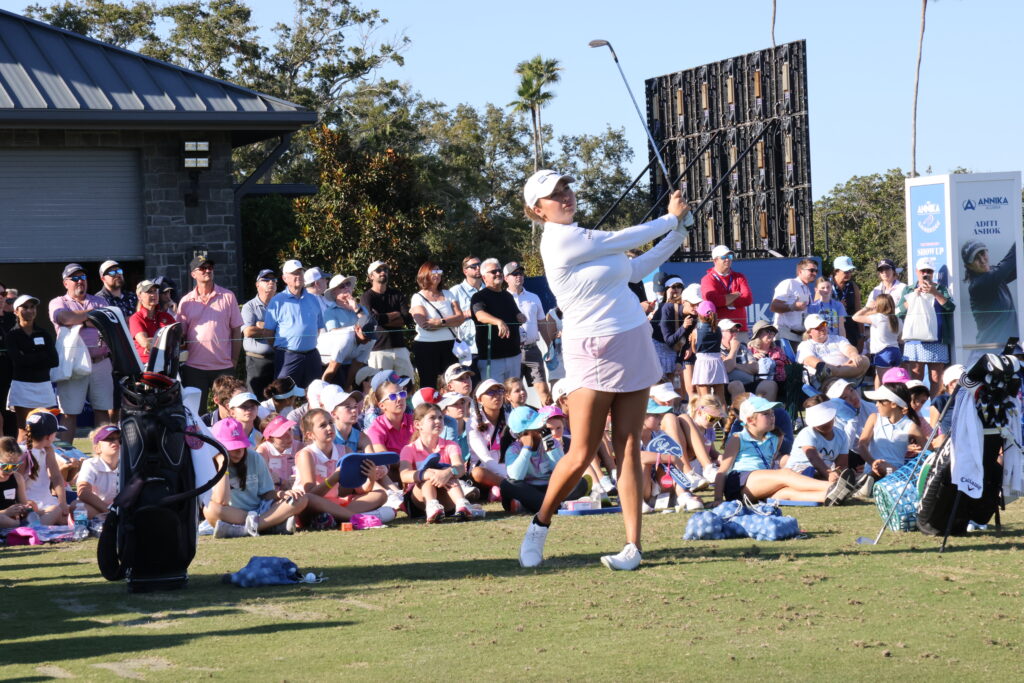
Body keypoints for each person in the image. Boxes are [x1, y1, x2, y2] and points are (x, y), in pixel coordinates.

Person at [519, 169, 691, 571]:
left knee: (629, 446)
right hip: (591, 349)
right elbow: (623, 238)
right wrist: (670, 218)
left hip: (633, 340)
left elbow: (636, 269)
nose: (565, 196)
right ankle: (540, 524)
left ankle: (633, 546)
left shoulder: (586, 238)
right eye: (554, 194)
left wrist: (678, 233)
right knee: (582, 450)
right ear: (538, 210)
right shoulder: (561, 239)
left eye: (566, 188)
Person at [713, 396, 856, 506]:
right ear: (750, 420)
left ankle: (829, 495)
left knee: (788, 493)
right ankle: (834, 487)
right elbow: (722, 471)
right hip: (740, 483)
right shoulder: (737, 438)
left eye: (772, 413)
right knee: (786, 474)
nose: (772, 416)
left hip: (759, 486)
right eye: (766, 414)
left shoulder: (775, 438)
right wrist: (718, 499)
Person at [205, 417, 307, 538]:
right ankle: (270, 526)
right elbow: (222, 501)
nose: (239, 451)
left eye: (241, 445)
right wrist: (223, 466)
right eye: (232, 447)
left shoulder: (254, 457)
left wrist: (281, 494)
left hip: (261, 511)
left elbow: (266, 493)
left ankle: (247, 529)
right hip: (233, 514)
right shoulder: (209, 464)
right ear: (217, 447)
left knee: (301, 498)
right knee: (210, 509)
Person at [293, 408, 393, 527]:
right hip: (311, 506)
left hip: (336, 503)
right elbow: (311, 493)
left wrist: (371, 478)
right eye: (322, 425)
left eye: (331, 423)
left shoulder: (345, 451)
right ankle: (356, 518)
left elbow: (360, 490)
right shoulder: (306, 454)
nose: (329, 428)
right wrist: (334, 478)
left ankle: (337, 517)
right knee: (309, 498)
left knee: (380, 494)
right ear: (310, 435)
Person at [48, 263, 115, 434]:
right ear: (66, 283)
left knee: (103, 410)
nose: (80, 281)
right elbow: (64, 318)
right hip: (73, 363)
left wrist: (78, 321)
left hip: (101, 361)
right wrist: (91, 317)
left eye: (83, 277)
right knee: (69, 412)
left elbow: (107, 323)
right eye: (75, 278)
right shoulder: (58, 302)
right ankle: (66, 452)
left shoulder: (100, 301)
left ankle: (102, 449)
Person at [177, 255, 243, 411]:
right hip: (194, 368)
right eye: (202, 268)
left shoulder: (228, 296)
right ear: (193, 274)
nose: (207, 270)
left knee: (229, 410)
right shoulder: (186, 301)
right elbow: (180, 335)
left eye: (210, 267)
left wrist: (234, 360)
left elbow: (236, 331)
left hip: (223, 366)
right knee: (196, 413)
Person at [501, 405, 587, 514]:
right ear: (523, 433)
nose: (542, 428)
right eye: (537, 426)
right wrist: (527, 448)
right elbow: (516, 476)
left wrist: (549, 447)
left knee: (581, 483)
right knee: (507, 485)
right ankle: (553, 505)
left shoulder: (551, 443)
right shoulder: (513, 450)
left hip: (551, 488)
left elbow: (561, 470)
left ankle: (540, 505)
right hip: (530, 489)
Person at [399, 403, 473, 522]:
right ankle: (432, 507)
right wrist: (427, 474)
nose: (438, 421)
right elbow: (404, 475)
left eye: (440, 418)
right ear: (418, 424)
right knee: (427, 478)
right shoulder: (409, 449)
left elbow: (460, 468)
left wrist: (448, 472)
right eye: (432, 418)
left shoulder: (451, 445)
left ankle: (462, 505)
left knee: (448, 472)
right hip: (418, 501)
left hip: (446, 499)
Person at [896, 257, 955, 396]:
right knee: (916, 377)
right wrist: (913, 296)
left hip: (937, 339)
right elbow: (899, 312)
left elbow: (950, 308)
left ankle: (935, 406)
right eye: (923, 271)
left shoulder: (941, 289)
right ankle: (915, 406)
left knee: (936, 377)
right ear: (917, 271)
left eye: (929, 271)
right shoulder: (909, 289)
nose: (925, 274)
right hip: (915, 339)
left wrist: (935, 293)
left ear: (933, 273)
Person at [264, 259, 326, 390]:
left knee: (314, 393)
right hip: (288, 356)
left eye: (300, 272)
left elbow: (318, 327)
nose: (298, 276)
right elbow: (268, 333)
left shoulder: (313, 299)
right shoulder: (277, 301)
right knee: (283, 393)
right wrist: (282, 349)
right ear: (285, 278)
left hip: (311, 355)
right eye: (294, 273)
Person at [5, 295, 58, 442]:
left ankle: (43, 457)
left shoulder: (44, 333)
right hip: (22, 385)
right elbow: (17, 360)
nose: (30, 310)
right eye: (25, 307)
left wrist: (27, 357)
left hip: (44, 385)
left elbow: (54, 360)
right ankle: (22, 457)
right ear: (16, 311)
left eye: (32, 307)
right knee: (24, 430)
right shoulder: (12, 335)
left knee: (47, 428)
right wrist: (41, 356)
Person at [409, 261, 466, 391]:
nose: (437, 274)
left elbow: (460, 318)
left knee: (452, 382)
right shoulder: (417, 297)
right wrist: (451, 321)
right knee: (428, 385)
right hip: (426, 347)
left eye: (439, 271)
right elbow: (425, 324)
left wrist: (440, 322)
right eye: (434, 271)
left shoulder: (448, 294)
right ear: (425, 274)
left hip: (450, 345)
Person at [856, 383, 924, 486]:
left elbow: (928, 453)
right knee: (879, 467)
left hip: (895, 476)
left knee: (883, 467)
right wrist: (872, 462)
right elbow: (862, 444)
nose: (876, 405)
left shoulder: (911, 426)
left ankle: (863, 485)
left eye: (880, 401)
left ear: (893, 404)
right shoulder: (874, 418)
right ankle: (865, 484)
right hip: (872, 470)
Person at [471, 258, 525, 383]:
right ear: (484, 277)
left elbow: (516, 315)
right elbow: (480, 315)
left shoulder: (507, 296)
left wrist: (520, 316)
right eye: (493, 271)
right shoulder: (478, 297)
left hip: (514, 355)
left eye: (499, 270)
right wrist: (498, 322)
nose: (498, 273)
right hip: (492, 358)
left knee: (514, 393)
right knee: (494, 393)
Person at [504, 260, 550, 406]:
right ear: (506, 278)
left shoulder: (533, 297)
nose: (519, 276)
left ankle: (547, 419)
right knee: (513, 393)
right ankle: (516, 420)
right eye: (514, 274)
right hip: (511, 352)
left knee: (543, 390)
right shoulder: (502, 298)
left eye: (521, 273)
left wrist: (550, 346)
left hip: (532, 350)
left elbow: (542, 323)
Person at [361, 259, 415, 378]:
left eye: (385, 269)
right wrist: (396, 314)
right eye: (379, 270)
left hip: (400, 347)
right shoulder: (366, 297)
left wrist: (380, 318)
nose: (383, 272)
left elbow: (407, 318)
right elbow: (371, 320)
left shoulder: (397, 294)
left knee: (407, 384)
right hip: (378, 350)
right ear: (371, 276)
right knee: (381, 386)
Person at [320, 274, 374, 389]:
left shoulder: (361, 308)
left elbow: (368, 327)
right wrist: (354, 330)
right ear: (334, 293)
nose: (346, 287)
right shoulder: (330, 311)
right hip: (335, 361)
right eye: (341, 286)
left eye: (348, 284)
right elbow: (334, 333)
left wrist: (356, 309)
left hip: (356, 359)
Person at [962, 241, 1017, 347]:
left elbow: (1017, 267)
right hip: (990, 349)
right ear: (969, 266)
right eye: (976, 258)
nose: (982, 260)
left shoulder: (992, 274)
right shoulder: (980, 284)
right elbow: (1010, 260)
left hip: (1009, 345)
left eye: (982, 253)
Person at [20, 411, 69, 524]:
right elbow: (16, 483)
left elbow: (56, 477)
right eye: (55, 433)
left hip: (47, 502)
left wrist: (62, 503)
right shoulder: (22, 453)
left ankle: (39, 523)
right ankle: (35, 529)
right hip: (29, 505)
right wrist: (25, 504)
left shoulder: (48, 449)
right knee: (56, 511)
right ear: (49, 436)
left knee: (74, 509)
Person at [781, 397, 849, 479]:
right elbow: (813, 457)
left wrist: (837, 472)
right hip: (798, 472)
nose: (824, 424)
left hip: (823, 473)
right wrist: (828, 474)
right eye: (820, 421)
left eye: (826, 419)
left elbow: (842, 464)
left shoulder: (842, 435)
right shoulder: (807, 433)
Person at [796, 313, 870, 385]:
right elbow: (811, 361)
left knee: (864, 360)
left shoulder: (837, 339)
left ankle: (835, 373)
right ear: (809, 332)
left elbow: (848, 348)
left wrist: (853, 355)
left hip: (839, 373)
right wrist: (831, 368)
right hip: (827, 380)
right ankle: (836, 373)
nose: (822, 328)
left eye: (824, 324)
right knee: (824, 370)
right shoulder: (805, 345)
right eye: (817, 327)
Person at [700, 245, 753, 341]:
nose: (728, 259)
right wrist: (736, 295)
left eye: (730, 256)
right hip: (720, 330)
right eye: (724, 257)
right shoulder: (707, 279)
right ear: (715, 260)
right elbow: (714, 301)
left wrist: (724, 301)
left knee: (743, 351)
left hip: (740, 329)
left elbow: (747, 299)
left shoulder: (739, 277)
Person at [241, 269, 278, 399]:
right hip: (257, 361)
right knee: (256, 400)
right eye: (266, 280)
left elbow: (289, 329)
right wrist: (274, 329)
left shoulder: (282, 305)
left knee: (278, 399)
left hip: (278, 359)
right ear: (257, 284)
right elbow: (248, 332)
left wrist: (262, 325)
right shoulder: (249, 307)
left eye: (273, 280)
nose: (271, 282)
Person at [852, 294, 902, 389]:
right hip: (896, 351)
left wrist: (867, 308)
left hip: (883, 352)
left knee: (883, 381)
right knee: (894, 381)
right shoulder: (898, 319)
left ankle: (880, 397)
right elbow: (900, 339)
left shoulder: (878, 317)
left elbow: (855, 317)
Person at [449, 256, 486, 377]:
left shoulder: (488, 289)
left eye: (480, 265)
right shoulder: (455, 291)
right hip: (467, 349)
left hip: (489, 346)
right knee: (470, 384)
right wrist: (467, 313)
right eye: (473, 266)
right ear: (465, 271)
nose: (478, 268)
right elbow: (449, 318)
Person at [76, 425, 121, 518]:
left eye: (120, 439)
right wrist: (109, 511)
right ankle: (111, 519)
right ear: (97, 448)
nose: (116, 441)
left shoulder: (128, 464)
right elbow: (83, 492)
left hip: (119, 508)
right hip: (98, 508)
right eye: (110, 439)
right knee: (76, 506)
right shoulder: (90, 464)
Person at [128, 280, 176, 366]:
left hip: (167, 362)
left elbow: (178, 337)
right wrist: (166, 341)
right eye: (149, 291)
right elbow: (144, 342)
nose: (154, 294)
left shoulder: (167, 316)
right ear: (139, 296)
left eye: (155, 291)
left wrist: (153, 343)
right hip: (146, 365)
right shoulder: (135, 318)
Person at [770, 258, 818, 344]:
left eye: (816, 271)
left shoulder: (807, 289)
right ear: (800, 271)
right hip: (786, 335)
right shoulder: (789, 283)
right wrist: (793, 307)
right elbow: (774, 306)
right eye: (811, 270)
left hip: (801, 337)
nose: (814, 273)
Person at [690, 301, 728, 404]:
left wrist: (692, 340)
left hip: (702, 364)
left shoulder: (696, 331)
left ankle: (707, 415)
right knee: (721, 399)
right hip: (717, 363)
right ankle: (724, 415)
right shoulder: (718, 329)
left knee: (705, 399)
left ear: (700, 315)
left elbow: (694, 349)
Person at [651, 277, 685, 378]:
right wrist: (668, 300)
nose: (676, 289)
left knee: (672, 381)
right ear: (666, 289)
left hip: (674, 347)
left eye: (679, 286)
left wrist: (679, 359)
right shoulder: (663, 307)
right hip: (659, 345)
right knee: (660, 381)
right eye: (673, 287)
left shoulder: (686, 306)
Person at [830, 256, 863, 351]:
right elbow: (818, 308)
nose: (848, 274)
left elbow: (858, 310)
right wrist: (837, 306)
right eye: (845, 271)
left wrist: (861, 334)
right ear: (836, 271)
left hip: (851, 330)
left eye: (850, 271)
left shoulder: (853, 286)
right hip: (832, 331)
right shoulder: (825, 286)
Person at [256, 414, 297, 490]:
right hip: (274, 495)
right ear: (270, 439)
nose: (289, 436)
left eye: (289, 429)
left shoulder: (300, 447)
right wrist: (282, 482)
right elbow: (263, 482)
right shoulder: (262, 451)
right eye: (282, 434)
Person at [1, 436, 32, 528]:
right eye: (6, 467)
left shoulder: (17, 478)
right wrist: (5, 512)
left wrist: (24, 508)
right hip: (4, 518)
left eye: (15, 467)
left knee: (55, 510)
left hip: (12, 519)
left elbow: (23, 503)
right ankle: (19, 526)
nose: (10, 471)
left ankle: (20, 526)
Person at [0, 281, 15, 438]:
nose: (0, 297)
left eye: (3, 294)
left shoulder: (13, 319)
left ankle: (11, 448)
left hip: (12, 372)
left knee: (10, 414)